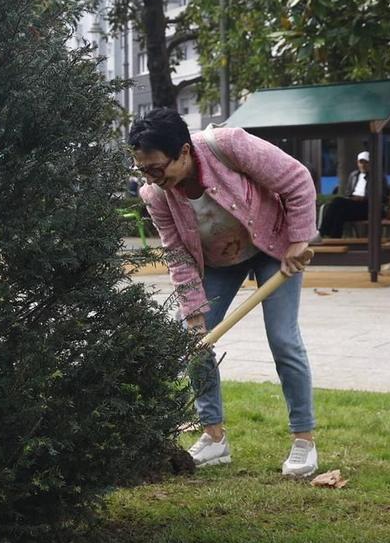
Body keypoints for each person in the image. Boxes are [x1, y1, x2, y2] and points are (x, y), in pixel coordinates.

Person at [129, 107, 321, 479]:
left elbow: (297, 179)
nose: (152, 178)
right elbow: (177, 252)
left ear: (184, 151)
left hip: (273, 247)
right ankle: (214, 436)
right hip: (218, 262)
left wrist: (299, 240)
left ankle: (304, 439)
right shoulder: (156, 195)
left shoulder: (228, 146)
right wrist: (194, 312)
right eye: (143, 170)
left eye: (157, 168)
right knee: (193, 340)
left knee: (283, 339)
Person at [316, 150, 376, 240]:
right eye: (361, 162)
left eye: (366, 162)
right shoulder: (353, 175)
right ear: (357, 163)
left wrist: (363, 198)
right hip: (353, 203)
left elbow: (380, 196)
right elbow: (348, 192)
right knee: (339, 211)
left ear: (370, 163)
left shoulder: (376, 177)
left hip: (367, 206)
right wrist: (352, 198)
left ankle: (322, 233)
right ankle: (334, 238)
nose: (363, 165)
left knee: (337, 202)